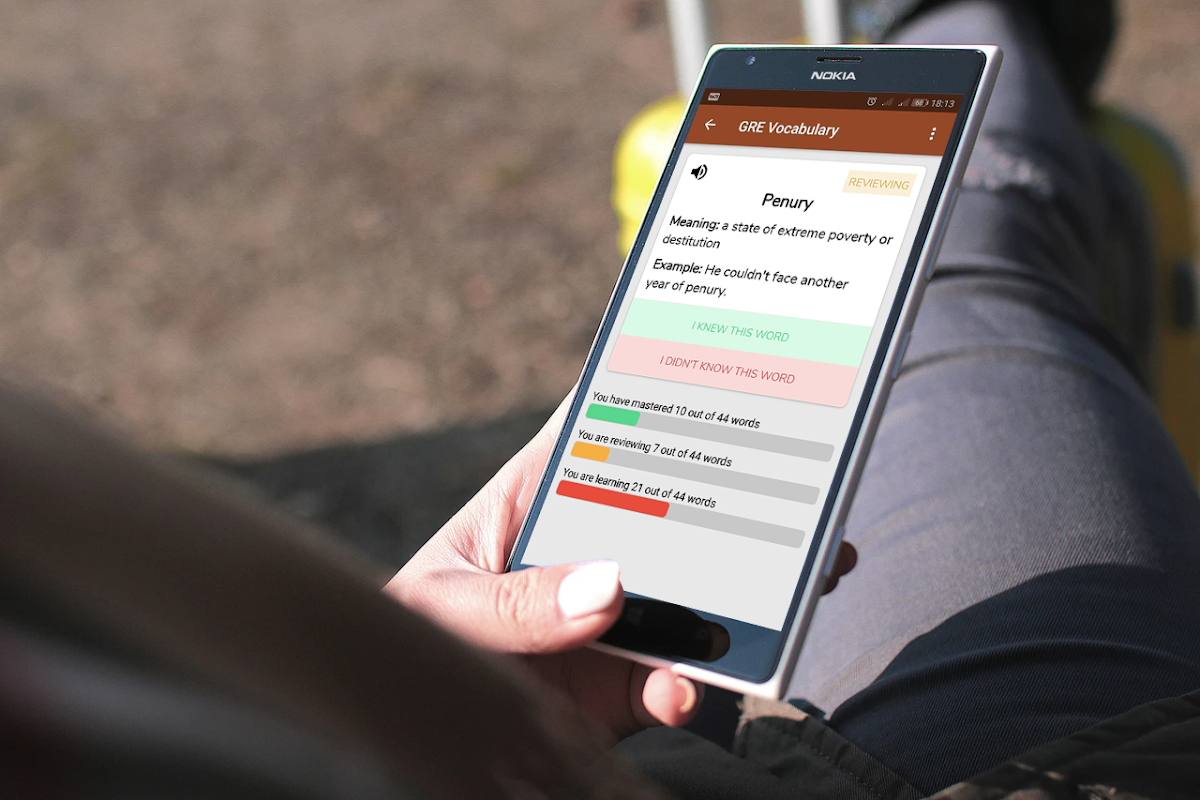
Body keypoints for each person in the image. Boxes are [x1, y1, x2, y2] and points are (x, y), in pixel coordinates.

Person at [3, 0, 1199, 797]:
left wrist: (410, 694)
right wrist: (375, 688)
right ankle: (975, 23)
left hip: (580, 743)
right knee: (957, 259)